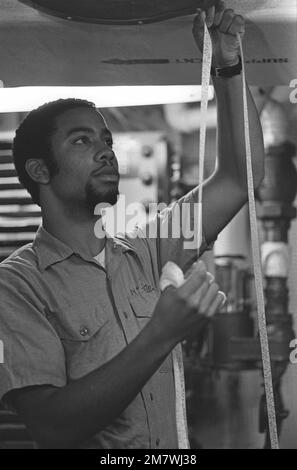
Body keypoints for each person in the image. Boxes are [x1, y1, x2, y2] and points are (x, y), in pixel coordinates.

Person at [0, 2, 264, 449]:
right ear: (40, 171)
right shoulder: (17, 286)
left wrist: (228, 66)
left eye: (106, 139)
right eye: (82, 140)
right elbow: (52, 426)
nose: (107, 151)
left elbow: (241, 178)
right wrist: (161, 333)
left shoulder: (149, 247)